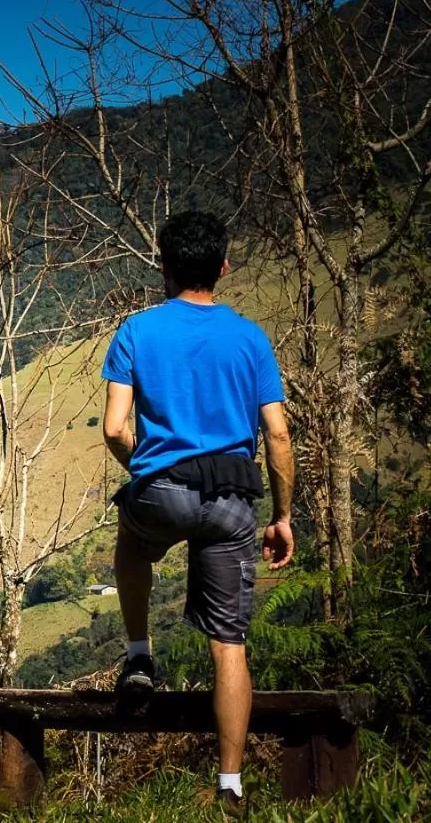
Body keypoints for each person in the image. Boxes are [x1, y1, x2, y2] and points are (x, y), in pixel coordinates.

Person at [100, 210, 295, 816]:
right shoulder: (250, 338)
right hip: (233, 501)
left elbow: (113, 429)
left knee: (132, 540)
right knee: (229, 646)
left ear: (164, 266)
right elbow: (279, 438)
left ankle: (138, 655)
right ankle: (231, 784)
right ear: (225, 267)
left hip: (162, 489)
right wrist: (282, 516)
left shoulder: (135, 331)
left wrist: (148, 469)